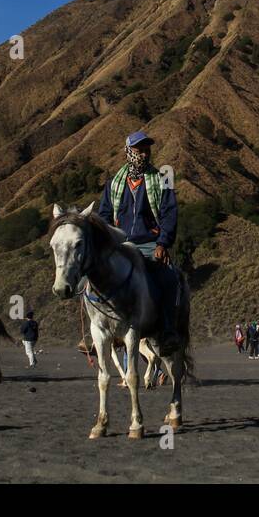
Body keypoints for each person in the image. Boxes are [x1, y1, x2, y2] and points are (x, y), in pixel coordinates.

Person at [98, 130, 179, 352]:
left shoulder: (161, 181)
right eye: (139, 150)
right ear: (128, 152)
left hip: (148, 243)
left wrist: (162, 243)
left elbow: (169, 214)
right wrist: (106, 240)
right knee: (89, 274)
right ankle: (95, 331)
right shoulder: (114, 183)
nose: (144, 154)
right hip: (119, 245)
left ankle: (168, 329)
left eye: (147, 150)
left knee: (169, 278)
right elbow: (104, 215)